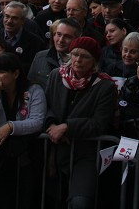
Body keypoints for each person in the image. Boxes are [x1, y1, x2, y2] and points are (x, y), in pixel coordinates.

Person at [44, 37, 117, 209]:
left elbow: (99, 122)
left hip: (85, 153)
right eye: (75, 54)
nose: (77, 60)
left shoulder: (105, 86)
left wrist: (67, 127)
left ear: (94, 61)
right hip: (55, 150)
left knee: (80, 201)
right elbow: (46, 106)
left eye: (84, 56)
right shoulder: (56, 76)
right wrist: (52, 124)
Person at [0, 52, 46, 208]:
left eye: (1, 71)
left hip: (24, 158)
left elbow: (37, 121)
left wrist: (10, 127)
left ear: (15, 73)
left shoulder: (34, 90)